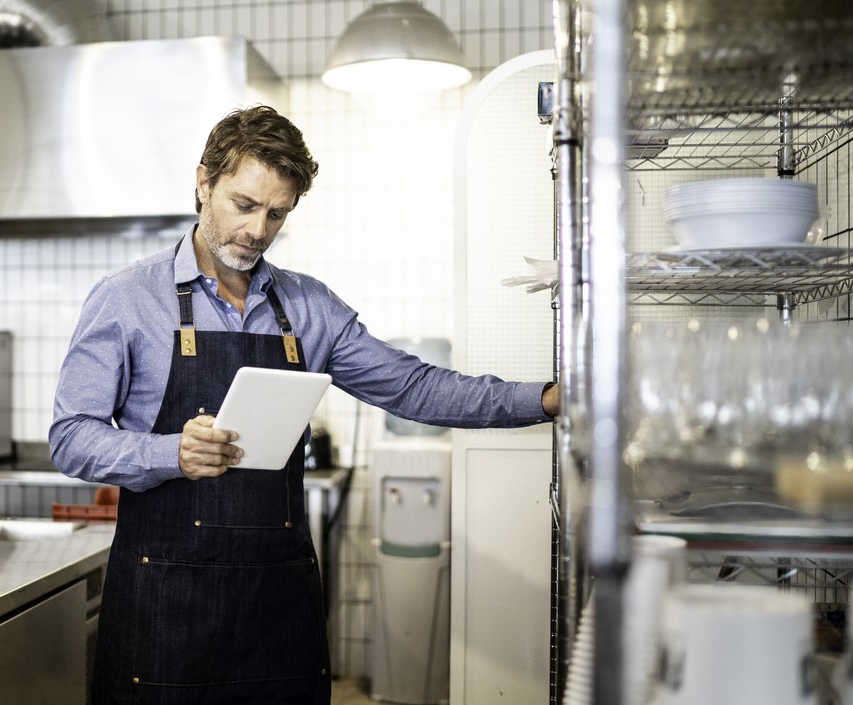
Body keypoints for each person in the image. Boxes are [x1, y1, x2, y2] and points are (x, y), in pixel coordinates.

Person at [49, 104, 559, 705]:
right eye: (244, 204)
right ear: (203, 182)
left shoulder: (308, 307)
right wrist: (171, 452)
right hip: (166, 604)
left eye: (277, 214)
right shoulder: (127, 299)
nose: (258, 231)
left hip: (277, 606)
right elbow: (71, 436)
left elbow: (415, 387)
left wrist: (547, 398)